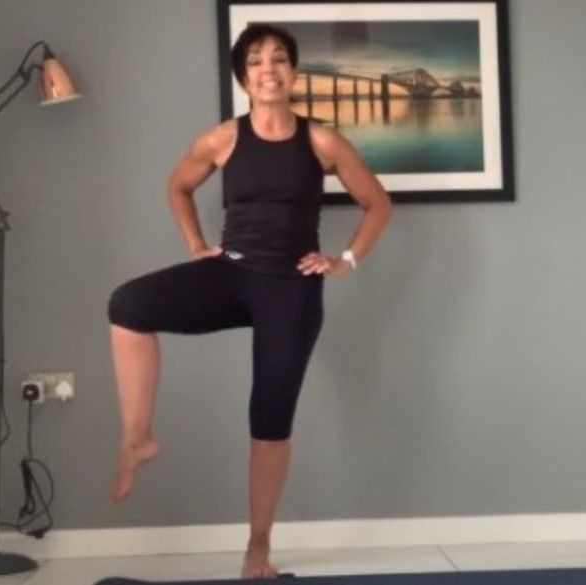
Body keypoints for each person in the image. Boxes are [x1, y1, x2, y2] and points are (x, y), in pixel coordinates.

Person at [106, 24, 393, 579]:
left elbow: (378, 204)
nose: (269, 70)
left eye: (279, 59)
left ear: (293, 72)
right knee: (128, 306)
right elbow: (178, 186)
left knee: (269, 420)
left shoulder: (322, 141)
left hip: (291, 289)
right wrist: (196, 245)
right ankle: (137, 439)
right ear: (243, 77)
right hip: (232, 274)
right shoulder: (222, 139)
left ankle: (257, 548)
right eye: (257, 61)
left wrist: (345, 260)